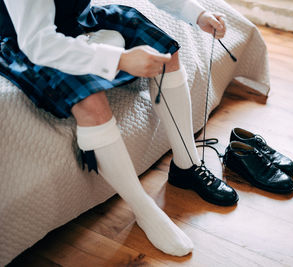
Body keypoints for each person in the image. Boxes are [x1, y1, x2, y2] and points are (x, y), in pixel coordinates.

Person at [0, 0, 238, 257]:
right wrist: (120, 59)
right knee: (90, 102)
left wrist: (197, 13)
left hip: (82, 21)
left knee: (167, 54)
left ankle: (187, 165)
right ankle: (143, 209)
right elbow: (38, 43)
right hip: (33, 43)